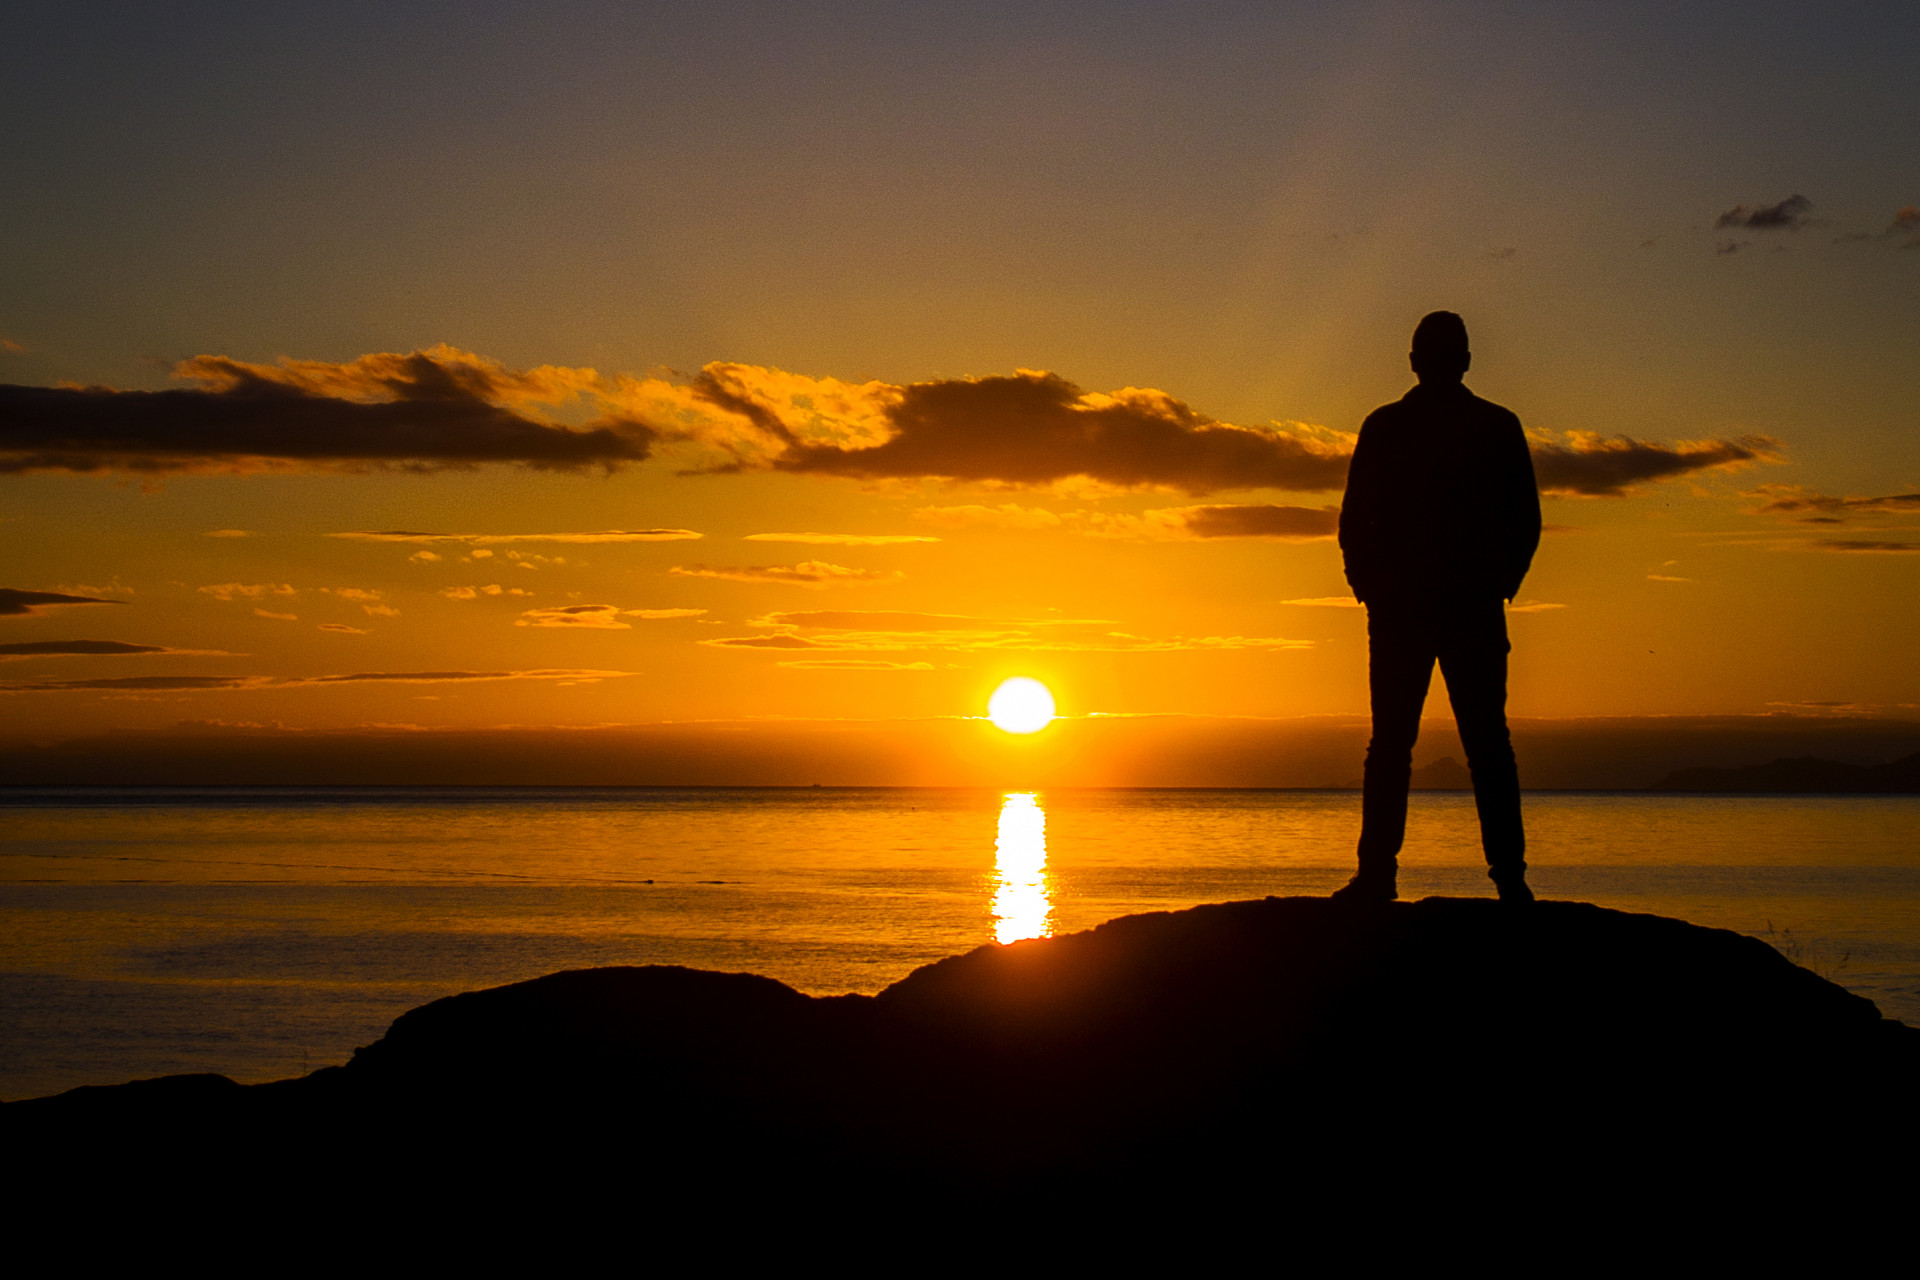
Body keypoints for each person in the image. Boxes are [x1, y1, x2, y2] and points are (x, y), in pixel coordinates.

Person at [1333, 311, 1541, 903]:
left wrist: (1500, 582)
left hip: (1450, 605)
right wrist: (1368, 586)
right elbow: (1355, 518)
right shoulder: (1399, 426)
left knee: (1458, 744)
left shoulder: (1488, 425)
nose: (1442, 365)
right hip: (1415, 606)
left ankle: (1500, 879)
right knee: (1432, 745)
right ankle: (1392, 876)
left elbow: (1524, 518)